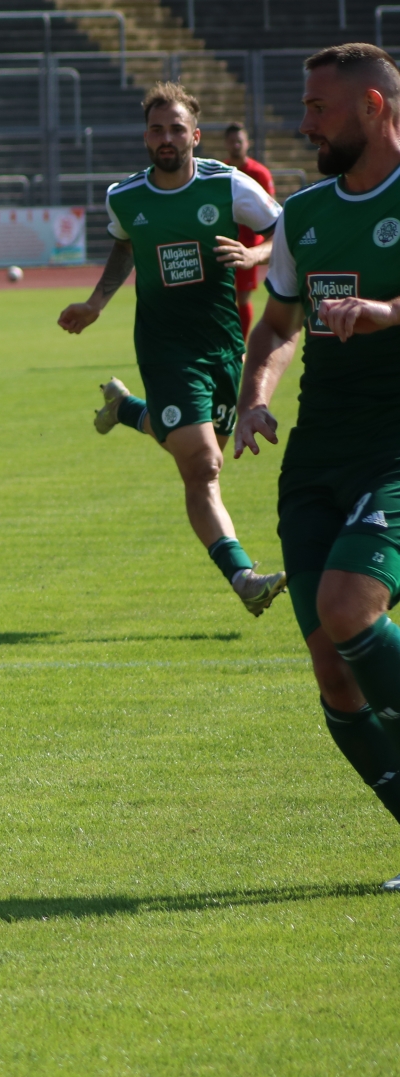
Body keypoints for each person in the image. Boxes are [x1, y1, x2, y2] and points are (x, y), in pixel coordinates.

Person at [235, 44, 400, 889]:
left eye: (318, 108)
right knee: (334, 673)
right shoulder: (301, 216)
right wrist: (254, 395)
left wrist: (386, 311)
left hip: (395, 449)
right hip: (315, 459)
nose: (304, 124)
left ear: (374, 106)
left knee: (346, 606)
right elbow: (276, 326)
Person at [58, 82, 286, 616]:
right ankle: (244, 578)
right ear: (145, 136)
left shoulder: (229, 185)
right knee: (203, 465)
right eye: (157, 129)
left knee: (201, 454)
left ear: (195, 136)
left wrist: (256, 256)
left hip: (222, 344)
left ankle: (127, 410)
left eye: (177, 129)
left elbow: (287, 232)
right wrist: (96, 303)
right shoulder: (125, 196)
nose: (166, 138)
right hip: (164, 347)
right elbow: (124, 245)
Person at [224, 122, 277, 336]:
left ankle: (242, 343)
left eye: (239, 141)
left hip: (249, 246)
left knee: (243, 297)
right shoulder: (222, 172)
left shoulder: (259, 173)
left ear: (247, 143)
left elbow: (271, 209)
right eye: (232, 141)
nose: (236, 145)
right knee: (223, 297)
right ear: (226, 144)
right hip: (224, 243)